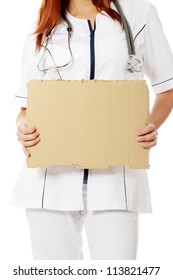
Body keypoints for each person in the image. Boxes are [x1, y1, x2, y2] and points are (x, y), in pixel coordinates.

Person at [10, 0, 173, 260]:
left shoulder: (138, 13)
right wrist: (22, 129)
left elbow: (167, 87)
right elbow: (26, 107)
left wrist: (151, 123)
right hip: (50, 182)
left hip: (116, 180)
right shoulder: (44, 23)